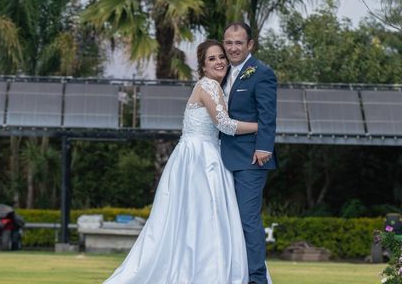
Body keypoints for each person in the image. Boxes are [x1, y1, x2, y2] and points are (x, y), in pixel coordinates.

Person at [102, 40, 260, 284]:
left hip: (198, 154)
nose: (219, 62)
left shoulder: (216, 87)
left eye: (221, 57)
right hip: (201, 159)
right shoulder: (208, 85)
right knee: (207, 217)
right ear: (203, 66)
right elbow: (225, 125)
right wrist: (262, 127)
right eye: (212, 59)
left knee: (191, 220)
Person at [221, 22, 277, 284]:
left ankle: (257, 278)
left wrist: (264, 146)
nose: (233, 48)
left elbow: (267, 114)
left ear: (250, 45)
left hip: (251, 159)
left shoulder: (262, 73)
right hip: (220, 159)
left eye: (238, 43)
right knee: (226, 220)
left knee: (248, 220)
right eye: (229, 43)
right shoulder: (220, 74)